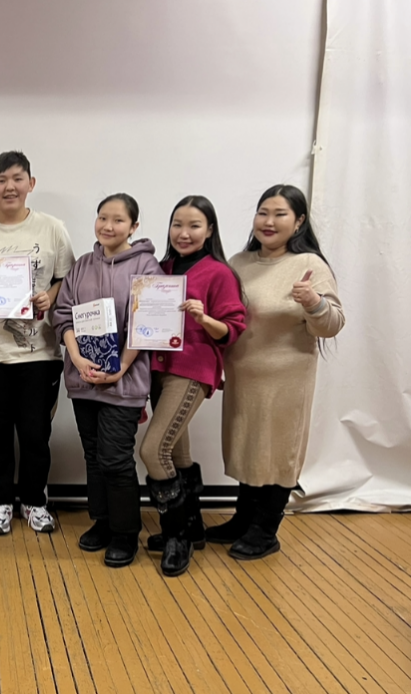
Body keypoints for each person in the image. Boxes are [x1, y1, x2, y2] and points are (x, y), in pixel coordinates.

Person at [215, 184, 344, 560]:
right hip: (242, 376)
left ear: (299, 221)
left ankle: (266, 529)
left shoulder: (309, 265)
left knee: (277, 451)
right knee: (247, 446)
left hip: (286, 381)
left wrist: (314, 303)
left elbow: (333, 324)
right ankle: (243, 520)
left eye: (280, 214)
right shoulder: (238, 262)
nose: (268, 222)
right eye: (263, 213)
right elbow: (224, 317)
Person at [0, 151, 74, 536]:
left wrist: (49, 297)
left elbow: (66, 279)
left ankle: (35, 501)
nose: (10, 187)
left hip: (39, 351)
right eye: (1, 180)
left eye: (17, 178)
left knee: (35, 433)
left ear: (31, 183)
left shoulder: (53, 229)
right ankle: (0, 501)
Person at [138, 196, 246, 577]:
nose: (183, 233)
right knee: (176, 452)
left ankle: (177, 536)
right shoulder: (161, 269)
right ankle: (193, 526)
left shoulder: (219, 273)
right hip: (158, 366)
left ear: (210, 230)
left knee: (153, 450)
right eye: (177, 225)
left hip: (191, 368)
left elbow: (232, 330)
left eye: (194, 225)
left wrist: (204, 318)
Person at [52, 193, 161, 568]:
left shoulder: (147, 266)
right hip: (83, 379)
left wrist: (122, 366)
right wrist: (77, 358)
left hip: (124, 382)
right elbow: (63, 315)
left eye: (118, 220)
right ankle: (101, 521)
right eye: (102, 218)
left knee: (115, 459)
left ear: (133, 226)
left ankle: (126, 533)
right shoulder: (82, 265)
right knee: (94, 457)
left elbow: (148, 322)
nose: (108, 226)